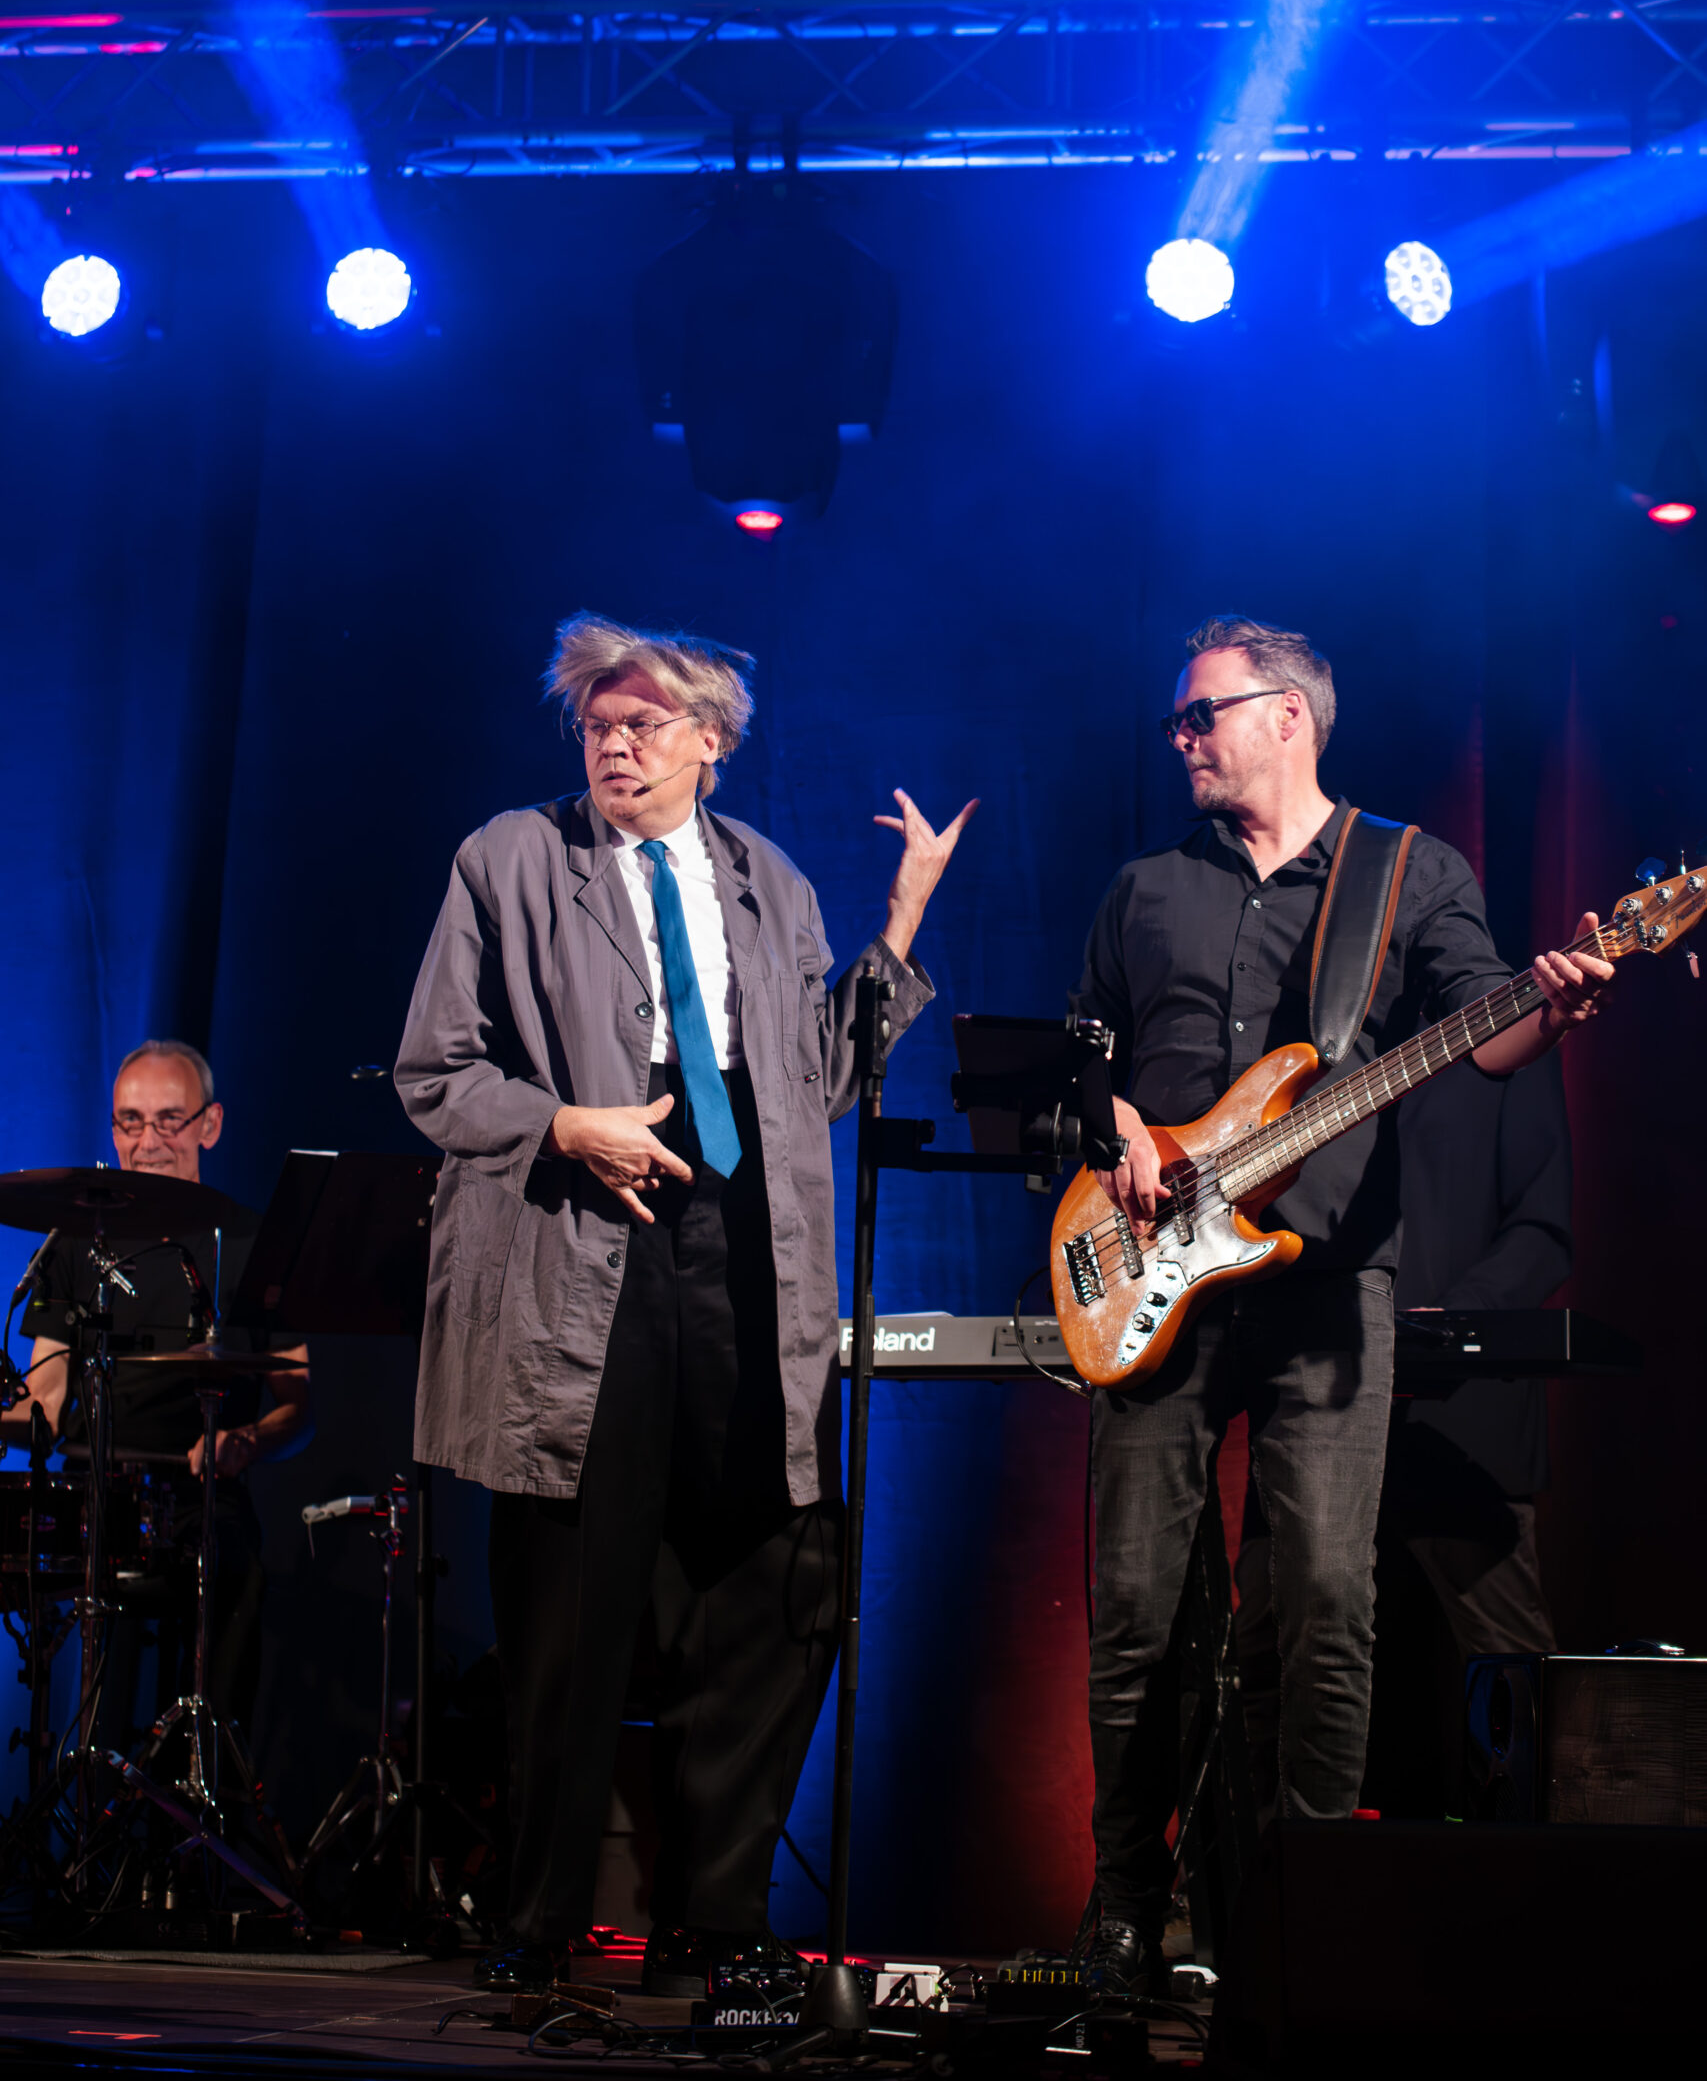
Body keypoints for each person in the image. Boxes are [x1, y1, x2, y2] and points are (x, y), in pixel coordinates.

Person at [394, 613, 975, 1996]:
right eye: (596, 725)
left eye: (642, 724)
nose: (613, 746)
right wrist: (562, 1124)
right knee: (568, 1609)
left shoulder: (769, 881)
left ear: (711, 741)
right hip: (585, 1247)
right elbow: (435, 1072)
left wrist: (901, 919)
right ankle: (541, 1915)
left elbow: (820, 1084)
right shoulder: (511, 858)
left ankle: (715, 1911)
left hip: (745, 1252)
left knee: (777, 1579)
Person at [1068, 615, 1609, 1992]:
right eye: (1177, 719)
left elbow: (1487, 1033)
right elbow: (1082, 1064)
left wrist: (1550, 1003)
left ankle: (1309, 1913)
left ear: (1287, 715)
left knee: (1323, 1599)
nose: (1180, 738)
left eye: (1200, 714)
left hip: (1325, 1284)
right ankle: (1123, 1909)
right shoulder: (1145, 888)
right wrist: (1113, 1126)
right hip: (1153, 1280)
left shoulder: (1408, 872)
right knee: (1133, 1606)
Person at [1236, 1053, 1572, 1817]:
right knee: (1260, 1655)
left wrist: (1440, 1328)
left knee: (1509, 1674)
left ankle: (1532, 1878)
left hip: (1458, 1414)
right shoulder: (1318, 1041)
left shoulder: (1504, 1036)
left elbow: (1542, 1229)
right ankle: (1253, 1874)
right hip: (1315, 1387)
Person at [3, 1040, 312, 1746]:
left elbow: (299, 1410)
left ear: (211, 1124)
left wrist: (245, 1440)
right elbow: (44, 1400)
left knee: (233, 1575)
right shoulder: (71, 1244)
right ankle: (85, 1777)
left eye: (170, 1120)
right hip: (90, 1496)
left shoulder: (251, 1242)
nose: (148, 1141)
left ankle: (207, 1780)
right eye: (131, 1121)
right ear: (112, 1130)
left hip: (201, 1498)